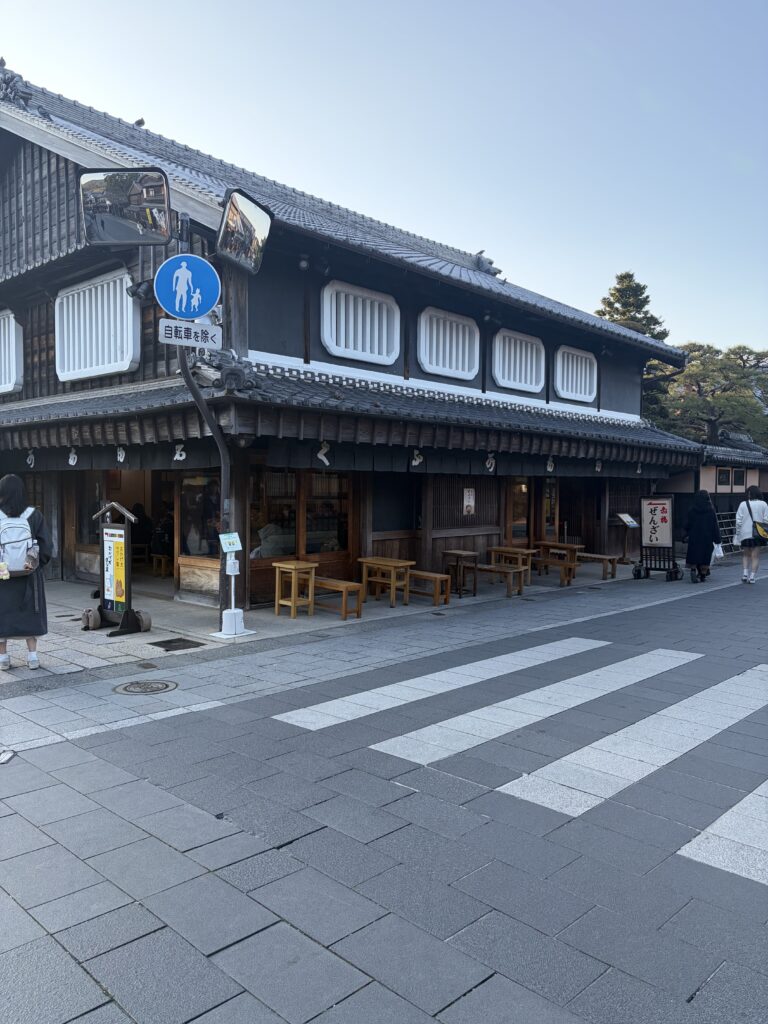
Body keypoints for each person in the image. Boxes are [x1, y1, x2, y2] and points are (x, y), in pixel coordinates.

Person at [0, 474, 53, 671]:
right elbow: (46, 547)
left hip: (2, 575)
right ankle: (32, 657)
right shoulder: (34, 515)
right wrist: (37, 565)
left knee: (2, 614)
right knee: (30, 611)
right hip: (28, 573)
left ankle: (3, 658)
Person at [683, 489, 721, 583]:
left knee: (694, 554)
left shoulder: (692, 510)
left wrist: (686, 534)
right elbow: (714, 525)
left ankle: (693, 570)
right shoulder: (711, 510)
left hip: (694, 536)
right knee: (705, 556)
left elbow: (687, 524)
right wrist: (717, 539)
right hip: (707, 537)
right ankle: (703, 575)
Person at [734, 485, 768, 584]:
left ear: (749, 494)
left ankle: (745, 574)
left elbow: (738, 520)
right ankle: (752, 577)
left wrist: (738, 533)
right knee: (755, 556)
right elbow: (766, 519)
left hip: (745, 533)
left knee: (745, 554)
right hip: (758, 533)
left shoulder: (743, 504)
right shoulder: (764, 504)